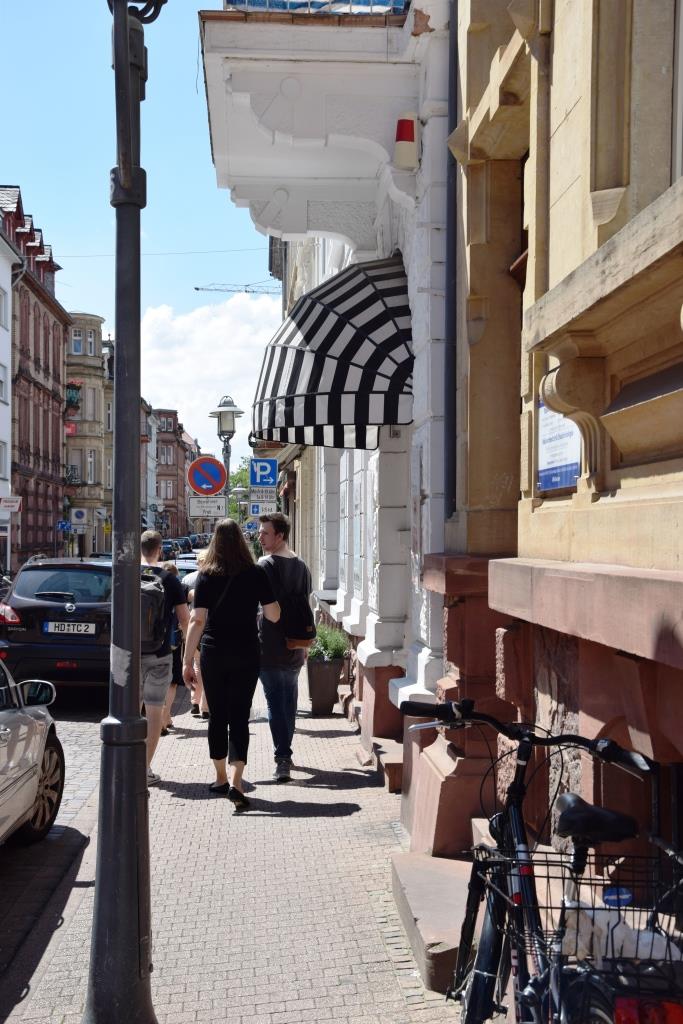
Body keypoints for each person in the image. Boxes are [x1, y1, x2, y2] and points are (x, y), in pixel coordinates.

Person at [182, 519, 280, 809]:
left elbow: (197, 620)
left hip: (213, 652)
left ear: (215, 542)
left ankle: (221, 778)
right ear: (241, 541)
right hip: (247, 651)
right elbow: (274, 615)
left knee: (217, 715)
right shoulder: (256, 573)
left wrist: (187, 661)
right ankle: (237, 782)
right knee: (239, 715)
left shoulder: (206, 576)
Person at [257, 512, 312, 783]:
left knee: (275, 703)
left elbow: (259, 606)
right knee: (289, 701)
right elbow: (306, 605)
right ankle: (285, 754)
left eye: (265, 533)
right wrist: (307, 644)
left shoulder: (264, 565)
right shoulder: (302, 566)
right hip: (296, 643)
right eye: (260, 532)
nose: (260, 537)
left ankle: (282, 758)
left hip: (269, 643)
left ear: (280, 535)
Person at [141, 530, 190, 786]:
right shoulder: (169, 579)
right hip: (160, 654)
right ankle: (144, 770)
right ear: (160, 550)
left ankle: (125, 765)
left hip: (129, 655)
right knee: (154, 712)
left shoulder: (125, 574)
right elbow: (184, 619)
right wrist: (189, 653)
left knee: (128, 710)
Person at [180, 549, 209, 719]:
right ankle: (205, 706)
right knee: (206, 668)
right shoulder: (214, 579)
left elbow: (182, 605)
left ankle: (194, 701)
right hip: (208, 627)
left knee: (197, 665)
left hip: (193, 627)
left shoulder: (188, 579)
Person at [161, 561, 185, 736]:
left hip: (152, 643)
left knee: (150, 683)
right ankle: (165, 715)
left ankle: (161, 719)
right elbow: (185, 618)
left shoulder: (149, 586)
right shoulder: (177, 588)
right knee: (172, 682)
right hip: (173, 642)